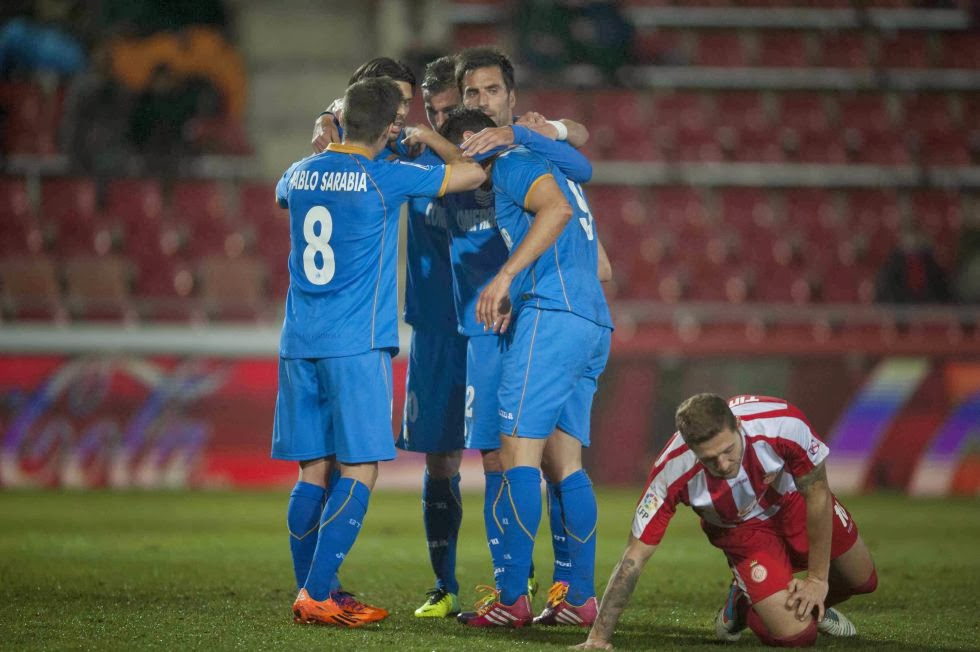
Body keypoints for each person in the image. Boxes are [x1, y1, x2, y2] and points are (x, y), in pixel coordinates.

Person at [273, 76, 486, 628]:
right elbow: (473, 173)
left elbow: (282, 193)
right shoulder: (384, 176)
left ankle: (314, 589)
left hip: (298, 343)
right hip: (355, 343)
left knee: (312, 470)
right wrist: (430, 138)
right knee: (360, 467)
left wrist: (330, 129)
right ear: (391, 125)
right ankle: (317, 592)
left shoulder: (299, 171)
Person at [439, 105, 614, 629]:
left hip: (553, 317)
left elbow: (554, 212)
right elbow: (603, 266)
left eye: (457, 155)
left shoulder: (513, 162)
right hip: (591, 320)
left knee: (516, 453)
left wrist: (506, 278)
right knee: (566, 463)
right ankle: (578, 598)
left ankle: (512, 598)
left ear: (472, 143)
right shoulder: (555, 166)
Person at [575, 393, 879, 649]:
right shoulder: (670, 471)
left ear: (738, 425)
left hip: (790, 499)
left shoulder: (782, 424)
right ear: (691, 449)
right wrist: (598, 638)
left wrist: (816, 581)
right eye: (709, 459)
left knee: (863, 580)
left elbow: (817, 493)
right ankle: (744, 604)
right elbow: (634, 556)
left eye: (727, 450)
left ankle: (807, 604)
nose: (722, 465)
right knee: (799, 636)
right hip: (741, 532)